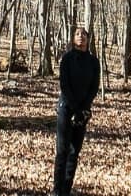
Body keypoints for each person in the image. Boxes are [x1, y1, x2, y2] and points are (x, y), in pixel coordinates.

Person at [53, 25, 100, 196]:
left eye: (84, 34)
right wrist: (73, 107)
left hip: (83, 111)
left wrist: (83, 109)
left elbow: (94, 87)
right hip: (66, 109)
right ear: (73, 39)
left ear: (88, 39)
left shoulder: (94, 62)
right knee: (62, 150)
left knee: (74, 151)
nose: (81, 37)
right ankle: (57, 190)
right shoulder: (67, 59)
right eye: (77, 34)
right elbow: (64, 84)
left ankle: (66, 189)